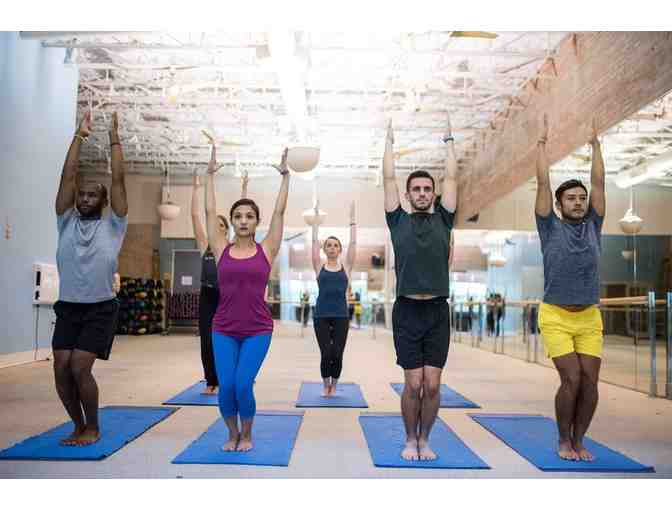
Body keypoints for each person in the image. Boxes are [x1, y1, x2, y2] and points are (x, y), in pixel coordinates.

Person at [205, 144, 289, 452]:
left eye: (249, 216)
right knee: (226, 385)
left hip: (257, 329)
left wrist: (286, 178)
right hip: (223, 328)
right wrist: (209, 176)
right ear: (231, 221)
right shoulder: (221, 249)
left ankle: (248, 433)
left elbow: (279, 213)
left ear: (256, 222)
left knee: (243, 383)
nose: (243, 220)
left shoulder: (267, 249)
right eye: (238, 216)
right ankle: (232, 433)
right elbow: (208, 212)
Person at [52, 111, 128, 446]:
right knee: (61, 367)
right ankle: (77, 425)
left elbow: (119, 180)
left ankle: (93, 427)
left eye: (92, 195)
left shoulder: (114, 226)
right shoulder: (65, 221)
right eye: (81, 194)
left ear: (103, 201)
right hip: (68, 306)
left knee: (80, 366)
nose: (84, 198)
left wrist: (114, 139)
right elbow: (67, 176)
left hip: (100, 308)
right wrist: (79, 136)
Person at [383, 117, 457, 461]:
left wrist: (449, 142)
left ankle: (425, 439)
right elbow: (388, 178)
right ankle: (409, 438)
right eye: (417, 189)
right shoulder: (397, 220)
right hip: (408, 311)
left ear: (434, 194)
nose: (423, 193)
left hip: (437, 311)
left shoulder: (445, 218)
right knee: (413, 384)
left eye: (428, 189)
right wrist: (388, 144)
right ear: (408, 194)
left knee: (433, 384)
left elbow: (452, 177)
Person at [535, 115, 605, 462]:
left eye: (582, 198)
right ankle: (563, 440)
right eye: (571, 198)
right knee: (572, 379)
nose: (578, 202)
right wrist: (541, 145)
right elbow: (542, 183)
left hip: (589, 316)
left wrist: (596, 146)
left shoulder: (594, 225)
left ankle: (579, 440)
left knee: (591, 383)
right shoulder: (549, 226)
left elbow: (599, 183)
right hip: (556, 315)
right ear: (559, 204)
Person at [191, 169, 248, 395]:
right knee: (207, 339)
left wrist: (244, 188)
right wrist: (196, 189)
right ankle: (211, 381)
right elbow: (195, 216)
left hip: (228, 296)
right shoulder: (204, 244)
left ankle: (231, 376)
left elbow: (242, 214)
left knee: (228, 338)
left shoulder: (232, 246)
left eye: (221, 224)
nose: (217, 227)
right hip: (207, 295)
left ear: (227, 229)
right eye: (214, 224)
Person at [311, 201, 357, 397]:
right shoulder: (318, 265)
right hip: (321, 315)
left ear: (340, 250)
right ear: (324, 249)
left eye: (335, 245)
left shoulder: (346, 266)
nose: (331, 248)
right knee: (326, 353)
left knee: (337, 353)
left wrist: (352, 221)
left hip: (340, 315)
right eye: (328, 245)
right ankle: (325, 384)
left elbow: (353, 244)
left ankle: (335, 385)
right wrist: (315, 222)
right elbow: (314, 243)